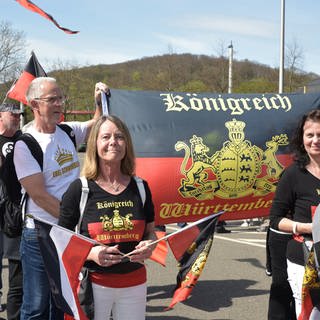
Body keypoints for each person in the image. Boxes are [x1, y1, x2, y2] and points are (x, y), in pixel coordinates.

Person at [13, 77, 106, 320]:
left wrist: (99, 101)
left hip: (66, 232)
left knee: (61, 301)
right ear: (34, 104)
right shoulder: (26, 144)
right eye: (52, 99)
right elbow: (40, 196)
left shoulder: (67, 130)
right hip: (40, 234)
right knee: (36, 306)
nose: (59, 104)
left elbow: (97, 123)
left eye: (60, 98)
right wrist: (76, 225)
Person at [58, 115, 156, 320]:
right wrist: (91, 254)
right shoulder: (80, 189)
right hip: (94, 285)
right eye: (106, 137)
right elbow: (61, 240)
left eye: (119, 137)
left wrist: (150, 246)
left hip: (135, 284)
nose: (113, 142)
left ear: (127, 143)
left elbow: (150, 232)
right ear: (95, 143)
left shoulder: (141, 187)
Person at [269, 109, 320, 318]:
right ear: (302, 138)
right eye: (310, 135)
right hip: (304, 257)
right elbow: (276, 219)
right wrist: (307, 228)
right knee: (309, 314)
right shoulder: (292, 174)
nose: (315, 140)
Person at [0, 103, 23, 319]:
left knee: (17, 277)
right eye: (12, 114)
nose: (17, 117)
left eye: (19, 114)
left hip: (14, 216)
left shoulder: (24, 139)